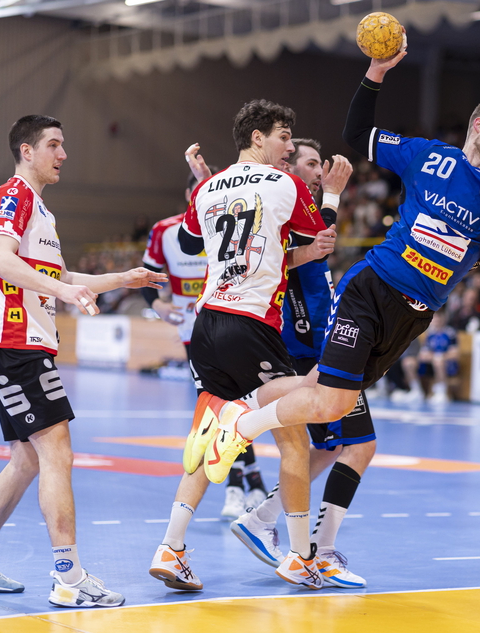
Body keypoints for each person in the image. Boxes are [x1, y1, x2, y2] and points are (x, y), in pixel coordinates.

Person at [192, 36, 480, 518]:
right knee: (344, 420)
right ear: (478, 125)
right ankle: (244, 436)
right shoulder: (427, 155)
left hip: (414, 316)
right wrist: (377, 72)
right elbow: (357, 131)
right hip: (372, 286)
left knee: (328, 399)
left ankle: (237, 417)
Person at [0, 114, 167, 607]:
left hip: (22, 346)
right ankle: (69, 578)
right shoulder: (14, 195)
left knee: (28, 459)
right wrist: (65, 292)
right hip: (16, 345)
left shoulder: (42, 211)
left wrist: (121, 280)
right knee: (57, 454)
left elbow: (62, 277)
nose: (63, 154)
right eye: (53, 144)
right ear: (27, 151)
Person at [147, 100, 350, 592]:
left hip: (206, 326)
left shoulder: (208, 188)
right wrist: (334, 194)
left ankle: (171, 547)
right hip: (251, 325)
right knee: (295, 440)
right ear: (257, 138)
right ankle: (300, 557)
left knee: (209, 439)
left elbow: (195, 242)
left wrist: (209, 185)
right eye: (284, 136)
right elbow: (319, 232)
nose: (290, 147)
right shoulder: (285, 183)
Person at [228, 137, 371, 588]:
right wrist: (333, 195)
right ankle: (319, 552)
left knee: (330, 446)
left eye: (319, 164)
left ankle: (262, 519)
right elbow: (316, 243)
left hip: (318, 342)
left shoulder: (297, 209)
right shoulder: (287, 207)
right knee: (359, 444)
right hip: (307, 347)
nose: (319, 170)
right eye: (310, 163)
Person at [141, 165, 268, 520]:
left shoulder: (233, 224)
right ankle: (249, 481)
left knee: (232, 404)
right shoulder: (165, 231)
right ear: (190, 195)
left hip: (233, 322)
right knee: (225, 406)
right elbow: (148, 272)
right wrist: (157, 304)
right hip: (192, 331)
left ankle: (240, 486)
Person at [418, 311, 460, 403]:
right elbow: (423, 355)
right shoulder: (429, 334)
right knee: (412, 362)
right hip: (431, 363)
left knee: (439, 362)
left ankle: (442, 392)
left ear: (443, 319)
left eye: (439, 319)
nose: (437, 321)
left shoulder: (450, 333)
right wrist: (435, 357)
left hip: (448, 364)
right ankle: (417, 391)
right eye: (435, 319)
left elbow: (455, 354)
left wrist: (441, 357)